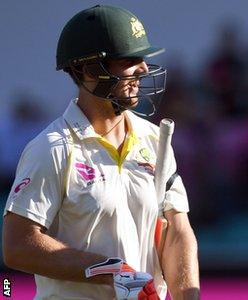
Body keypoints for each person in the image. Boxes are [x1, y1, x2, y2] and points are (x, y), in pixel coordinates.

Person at [2, 5, 199, 299]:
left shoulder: (154, 139)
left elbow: (177, 231)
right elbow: (17, 247)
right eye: (128, 59)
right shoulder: (52, 148)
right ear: (86, 68)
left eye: (142, 58)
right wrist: (109, 270)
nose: (143, 69)